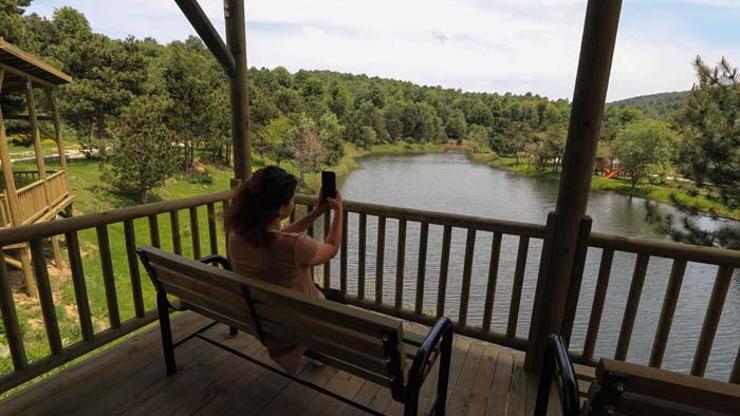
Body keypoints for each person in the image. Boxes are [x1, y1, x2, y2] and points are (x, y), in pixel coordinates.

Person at [224, 166, 343, 374]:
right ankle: (319, 349)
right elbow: (331, 248)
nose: (293, 202)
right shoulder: (296, 246)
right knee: (336, 298)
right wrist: (340, 210)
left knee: (314, 290)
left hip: (262, 316)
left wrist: (315, 213)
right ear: (281, 209)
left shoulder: (237, 235)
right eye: (291, 199)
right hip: (294, 324)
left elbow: (279, 238)